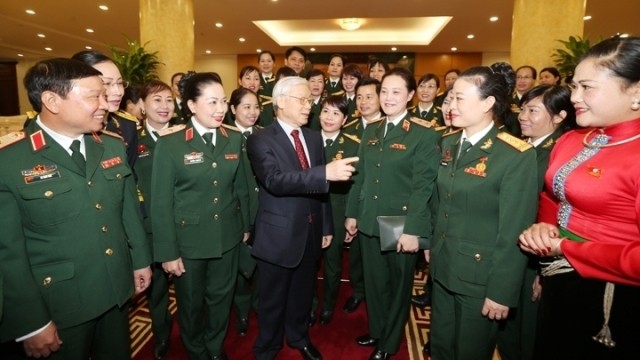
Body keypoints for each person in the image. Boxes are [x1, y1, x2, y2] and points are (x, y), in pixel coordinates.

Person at [0, 58, 152, 359]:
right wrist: (31, 322)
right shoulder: (10, 161)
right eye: (94, 95)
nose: (106, 105)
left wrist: (139, 261)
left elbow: (126, 211)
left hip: (115, 290)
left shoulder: (109, 144)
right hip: (57, 306)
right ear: (52, 101)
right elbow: (7, 254)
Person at [518, 36, 640, 360]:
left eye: (587, 88)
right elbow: (553, 198)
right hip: (559, 277)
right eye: (574, 86)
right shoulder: (572, 139)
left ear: (636, 92)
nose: (574, 98)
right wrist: (543, 230)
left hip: (614, 297)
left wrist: (567, 249)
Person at [429, 63, 538, 360]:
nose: (450, 104)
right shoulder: (449, 142)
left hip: (480, 276)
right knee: (440, 345)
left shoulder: (514, 155)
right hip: (444, 265)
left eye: (460, 98)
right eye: (450, 97)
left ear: (488, 103)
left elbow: (514, 229)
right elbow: (441, 202)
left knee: (470, 351)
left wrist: (501, 291)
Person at [246, 76, 358, 360]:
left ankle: (298, 336)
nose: (310, 106)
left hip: (310, 231)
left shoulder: (312, 137)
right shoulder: (260, 139)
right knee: (272, 300)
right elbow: (275, 180)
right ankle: (267, 347)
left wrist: (326, 224)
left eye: (310, 100)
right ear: (280, 101)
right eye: (303, 100)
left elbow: (319, 190)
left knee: (302, 293)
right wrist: (324, 173)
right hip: (278, 235)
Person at [150, 71, 251, 360]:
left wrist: (244, 227)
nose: (220, 109)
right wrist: (168, 252)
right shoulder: (171, 143)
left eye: (222, 101)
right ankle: (195, 350)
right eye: (212, 102)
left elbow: (241, 187)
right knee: (191, 303)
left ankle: (215, 347)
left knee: (221, 298)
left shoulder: (233, 138)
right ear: (191, 105)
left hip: (228, 236)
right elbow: (160, 203)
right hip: (188, 241)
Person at [345, 67, 440, 360]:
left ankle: (389, 342)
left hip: (400, 222)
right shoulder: (371, 130)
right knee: (373, 282)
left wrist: (414, 229)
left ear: (410, 95)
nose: (388, 97)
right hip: (370, 216)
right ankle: (376, 330)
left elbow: (423, 187)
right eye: (384, 91)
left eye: (396, 91)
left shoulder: (423, 135)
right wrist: (352, 214)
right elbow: (360, 177)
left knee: (397, 286)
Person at [496, 84, 576, 360]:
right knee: (506, 323)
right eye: (522, 109)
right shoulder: (518, 147)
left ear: (559, 116)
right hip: (509, 248)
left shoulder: (562, 153)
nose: (522, 116)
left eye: (533, 110)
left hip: (537, 257)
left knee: (529, 331)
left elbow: (558, 212)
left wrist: (544, 270)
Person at [134, 80, 177, 360]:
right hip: (151, 229)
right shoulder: (131, 142)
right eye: (157, 100)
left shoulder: (185, 136)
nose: (164, 107)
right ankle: (161, 332)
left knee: (192, 289)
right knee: (157, 289)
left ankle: (196, 333)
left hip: (187, 226)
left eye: (169, 100)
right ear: (141, 106)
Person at [310, 95, 360, 326]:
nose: (329, 118)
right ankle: (309, 304)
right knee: (308, 261)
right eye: (326, 112)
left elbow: (356, 186)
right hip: (308, 211)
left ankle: (328, 304)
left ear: (345, 119)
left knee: (332, 262)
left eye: (336, 113)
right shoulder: (307, 140)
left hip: (337, 210)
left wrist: (352, 215)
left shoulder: (352, 144)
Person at [228, 87, 262, 337]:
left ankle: (261, 305)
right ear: (233, 110)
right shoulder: (225, 137)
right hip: (236, 212)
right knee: (240, 268)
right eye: (246, 107)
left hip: (265, 211)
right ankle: (241, 310)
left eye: (256, 107)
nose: (252, 112)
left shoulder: (265, 135)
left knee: (263, 263)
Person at [71, 50, 139, 169]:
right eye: (107, 83)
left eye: (119, 83)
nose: (118, 92)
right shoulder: (66, 125)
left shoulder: (127, 126)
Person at [342, 77, 383, 141]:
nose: (363, 102)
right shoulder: (347, 130)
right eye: (359, 97)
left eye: (368, 97)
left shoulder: (389, 127)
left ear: (381, 98)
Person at [258, 51, 276, 127]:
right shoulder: (255, 79)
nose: (266, 64)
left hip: (274, 117)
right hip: (258, 116)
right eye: (262, 61)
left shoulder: (279, 80)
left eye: (269, 61)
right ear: (258, 64)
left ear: (274, 63)